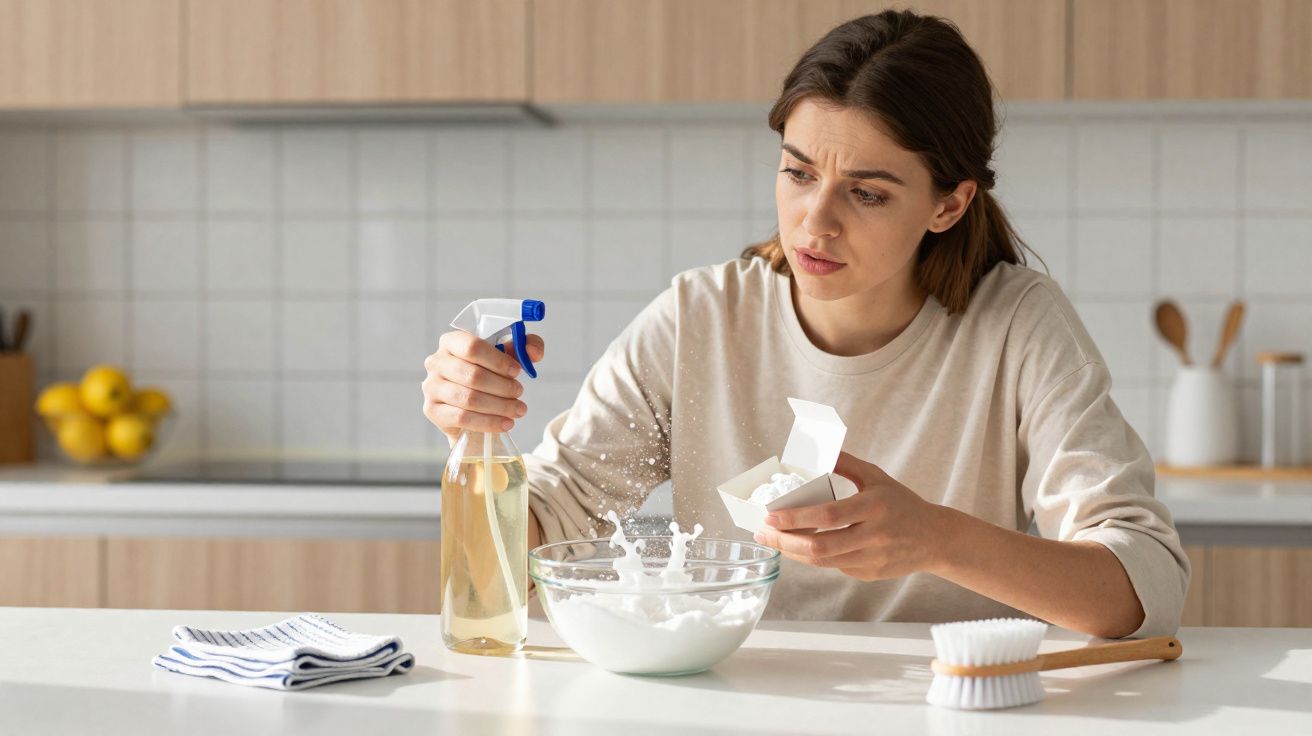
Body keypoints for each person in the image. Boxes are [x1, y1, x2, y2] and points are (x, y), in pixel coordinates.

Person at [421, 9, 1189, 639]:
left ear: (949, 205)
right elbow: (525, 554)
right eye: (797, 173)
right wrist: (477, 439)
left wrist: (937, 537)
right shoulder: (699, 321)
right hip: (738, 701)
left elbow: (1144, 587)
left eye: (867, 193)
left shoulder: (1016, 327)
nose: (812, 223)